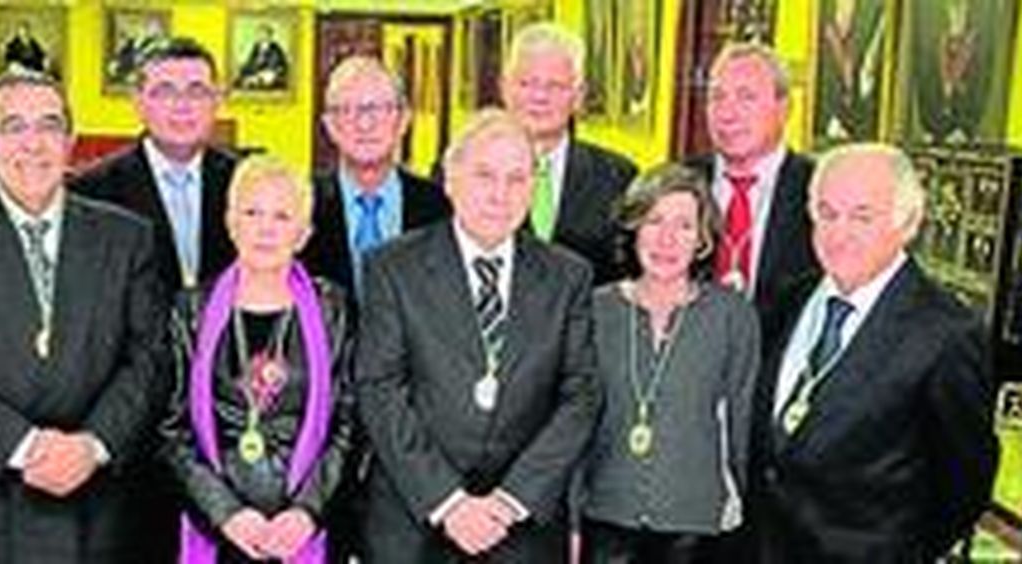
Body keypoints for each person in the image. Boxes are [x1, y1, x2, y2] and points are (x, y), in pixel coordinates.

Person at [0, 71, 169, 563]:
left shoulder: (127, 237)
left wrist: (92, 445)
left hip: (103, 510)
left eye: (49, 125)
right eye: (13, 126)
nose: (33, 143)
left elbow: (149, 357)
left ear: (70, 140)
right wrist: (24, 446)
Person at [356, 109, 600, 561]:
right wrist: (450, 504)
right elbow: (380, 389)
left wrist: (509, 502)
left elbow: (580, 396)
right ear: (450, 180)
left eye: (517, 178)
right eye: (484, 175)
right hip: (415, 522)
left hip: (521, 528)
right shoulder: (393, 268)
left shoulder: (569, 276)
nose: (500, 195)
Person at [751, 143, 997, 562]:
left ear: (909, 223)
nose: (839, 233)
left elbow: (965, 482)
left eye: (861, 216)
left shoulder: (946, 333)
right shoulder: (786, 297)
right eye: (826, 214)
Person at [164, 155, 353, 563]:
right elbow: (171, 429)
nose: (265, 228)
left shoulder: (332, 307)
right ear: (231, 223)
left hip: (303, 527)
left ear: (304, 234)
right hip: (218, 527)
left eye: (283, 216)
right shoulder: (191, 308)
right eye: (252, 212)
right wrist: (227, 514)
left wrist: (306, 512)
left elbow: (348, 424)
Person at [578, 164, 759, 563]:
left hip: (697, 527)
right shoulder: (594, 309)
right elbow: (574, 420)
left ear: (703, 239)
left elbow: (742, 425)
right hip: (606, 519)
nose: (667, 240)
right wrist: (571, 519)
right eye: (654, 221)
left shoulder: (731, 314)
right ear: (633, 228)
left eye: (684, 226)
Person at [71, 36, 239, 296]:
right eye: (165, 91)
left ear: (217, 101)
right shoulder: (91, 191)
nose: (182, 106)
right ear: (138, 103)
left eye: (197, 91)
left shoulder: (245, 183)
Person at [684, 43, 818, 345]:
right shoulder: (678, 183)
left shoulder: (818, 193)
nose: (727, 114)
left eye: (746, 97)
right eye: (716, 97)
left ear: (784, 108)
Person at [492, 22, 639, 284]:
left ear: (579, 95)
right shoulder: (460, 170)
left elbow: (629, 278)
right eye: (527, 83)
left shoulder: (619, 178)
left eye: (556, 86)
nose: (539, 97)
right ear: (504, 88)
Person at [303, 55, 451, 301]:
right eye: (347, 110)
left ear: (403, 120)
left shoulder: (441, 208)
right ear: (329, 126)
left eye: (378, 108)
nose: (364, 123)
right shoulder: (301, 206)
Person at [235, 23, 289, 90]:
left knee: (265, 79)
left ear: (269, 36)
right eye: (259, 34)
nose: (260, 36)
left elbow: (274, 64)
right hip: (257, 70)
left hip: (271, 72)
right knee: (240, 75)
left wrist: (261, 71)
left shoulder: (275, 48)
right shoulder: (257, 46)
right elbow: (251, 60)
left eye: (263, 34)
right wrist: (246, 66)